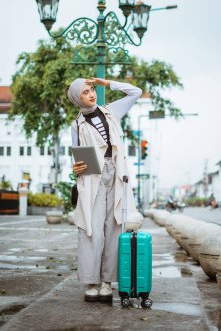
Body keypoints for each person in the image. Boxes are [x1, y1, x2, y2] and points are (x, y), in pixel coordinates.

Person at [67, 77, 142, 303]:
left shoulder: (111, 111)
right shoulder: (76, 125)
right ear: (76, 98)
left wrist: (106, 82)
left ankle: (108, 282)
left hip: (116, 174)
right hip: (91, 177)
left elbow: (135, 92)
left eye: (92, 89)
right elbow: (78, 156)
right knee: (91, 228)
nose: (91, 94)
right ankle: (92, 281)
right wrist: (76, 167)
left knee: (114, 227)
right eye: (85, 92)